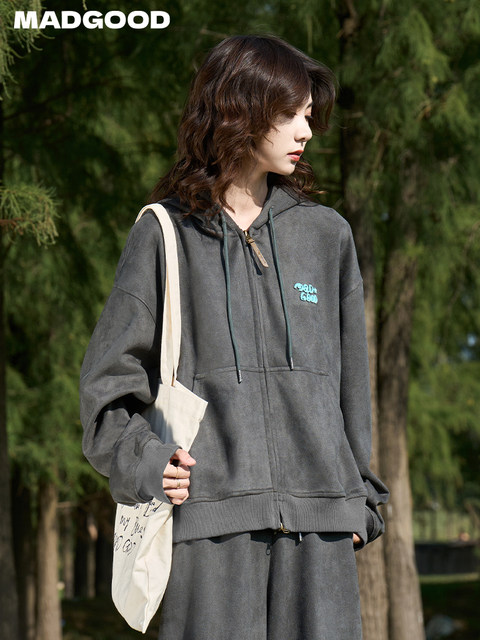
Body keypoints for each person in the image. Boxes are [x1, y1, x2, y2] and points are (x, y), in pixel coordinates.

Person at [80, 34, 389, 640]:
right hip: (209, 528)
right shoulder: (164, 234)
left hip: (321, 533)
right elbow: (107, 387)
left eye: (308, 115)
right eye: (290, 114)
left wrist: (359, 504)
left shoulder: (327, 236)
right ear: (241, 110)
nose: (306, 131)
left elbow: (351, 386)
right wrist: (148, 461)